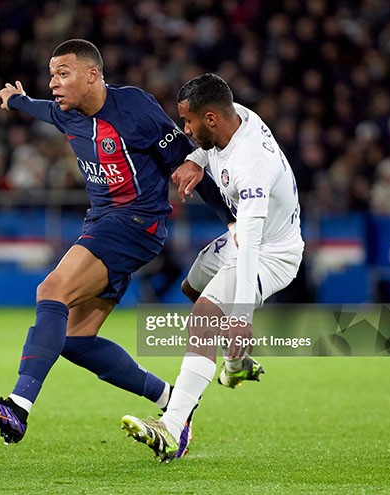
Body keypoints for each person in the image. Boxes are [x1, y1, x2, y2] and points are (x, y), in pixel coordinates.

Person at [0, 39, 234, 445]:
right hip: (107, 223)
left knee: (50, 290)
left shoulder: (135, 108)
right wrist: (16, 99)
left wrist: (234, 222)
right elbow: (39, 108)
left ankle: (17, 407)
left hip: (134, 223)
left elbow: (186, 159)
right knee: (74, 340)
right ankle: (175, 401)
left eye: (63, 73)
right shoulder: (65, 113)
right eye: (51, 74)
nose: (53, 83)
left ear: (92, 75)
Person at [121, 73, 304, 461]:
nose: (183, 129)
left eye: (187, 123)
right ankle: (235, 363)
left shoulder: (252, 165)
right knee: (192, 290)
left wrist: (240, 317)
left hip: (271, 252)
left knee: (207, 314)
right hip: (242, 240)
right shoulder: (232, 116)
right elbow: (208, 147)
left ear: (210, 119)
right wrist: (194, 159)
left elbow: (250, 243)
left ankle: (173, 428)